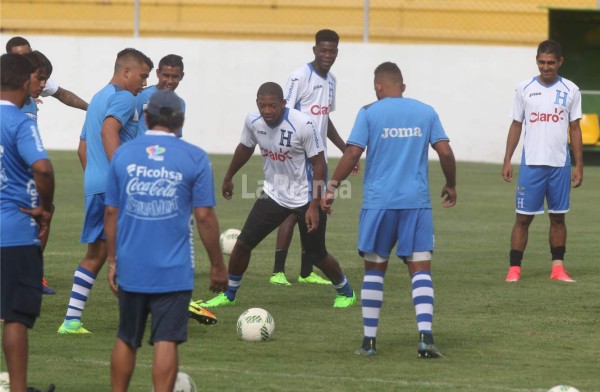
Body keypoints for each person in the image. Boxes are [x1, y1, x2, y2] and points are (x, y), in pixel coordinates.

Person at [323, 62, 457, 358]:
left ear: (378, 87)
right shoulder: (426, 111)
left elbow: (353, 152)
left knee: (375, 270)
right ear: (403, 86)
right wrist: (451, 184)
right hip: (416, 203)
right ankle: (426, 338)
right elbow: (445, 152)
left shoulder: (370, 113)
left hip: (379, 203)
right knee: (420, 269)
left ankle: (369, 342)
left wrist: (332, 186)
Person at [105, 90, 228, 392]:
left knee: (126, 337)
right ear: (181, 121)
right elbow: (204, 217)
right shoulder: (194, 157)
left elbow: (111, 211)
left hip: (131, 266)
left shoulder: (124, 153)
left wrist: (112, 261)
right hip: (173, 270)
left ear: (146, 118)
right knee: (166, 340)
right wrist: (217, 265)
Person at [195, 82, 356, 309]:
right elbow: (245, 147)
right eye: (263, 106)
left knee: (317, 254)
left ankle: (346, 291)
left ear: (283, 103)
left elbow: (319, 163)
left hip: (306, 198)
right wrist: (229, 175)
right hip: (274, 194)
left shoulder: (303, 124)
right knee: (242, 245)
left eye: (273, 106)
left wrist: (314, 205)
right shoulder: (253, 121)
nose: (267, 111)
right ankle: (229, 294)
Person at [57, 48, 154, 335]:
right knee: (134, 249)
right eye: (142, 76)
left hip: (96, 185)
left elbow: (82, 148)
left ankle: (72, 320)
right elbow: (108, 132)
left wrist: (96, 178)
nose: (144, 82)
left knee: (98, 253)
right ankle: (148, 313)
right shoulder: (125, 97)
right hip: (115, 188)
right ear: (126, 72)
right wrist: (121, 174)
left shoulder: (99, 98)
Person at [269, 28, 358, 287]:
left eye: (332, 51)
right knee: (291, 210)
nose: (327, 55)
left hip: (318, 158)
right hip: (296, 156)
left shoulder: (332, 82)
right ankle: (278, 272)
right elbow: (283, 111)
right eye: (323, 50)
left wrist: (344, 150)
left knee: (315, 209)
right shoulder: (300, 76)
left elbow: (324, 119)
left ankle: (307, 272)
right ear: (315, 50)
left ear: (337, 52)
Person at [502, 40, 583, 283]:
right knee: (522, 218)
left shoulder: (571, 90)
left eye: (550, 63)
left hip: (559, 165)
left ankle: (558, 269)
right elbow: (516, 125)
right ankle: (514, 269)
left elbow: (575, 128)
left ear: (560, 62)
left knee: (558, 217)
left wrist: (578, 165)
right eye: (541, 62)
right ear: (536, 61)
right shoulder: (524, 88)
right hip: (532, 165)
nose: (545, 67)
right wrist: (507, 159)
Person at [1, 53, 56, 392]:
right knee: (15, 317)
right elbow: (44, 169)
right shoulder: (21, 122)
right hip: (13, 232)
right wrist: (45, 207)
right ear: (25, 83)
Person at [20, 50, 56, 295]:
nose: (43, 85)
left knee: (46, 214)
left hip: (28, 177)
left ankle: (33, 274)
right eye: (39, 79)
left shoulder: (32, 102)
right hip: (13, 178)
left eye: (46, 80)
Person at [6, 36, 88, 111]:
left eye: (28, 55)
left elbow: (62, 94)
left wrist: (91, 108)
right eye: (19, 57)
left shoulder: (38, 79)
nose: (25, 60)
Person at [136, 54, 185, 138]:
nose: (170, 81)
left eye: (175, 76)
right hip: (141, 149)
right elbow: (128, 127)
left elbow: (176, 136)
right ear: (158, 73)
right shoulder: (140, 96)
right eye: (166, 75)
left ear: (181, 76)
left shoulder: (180, 103)